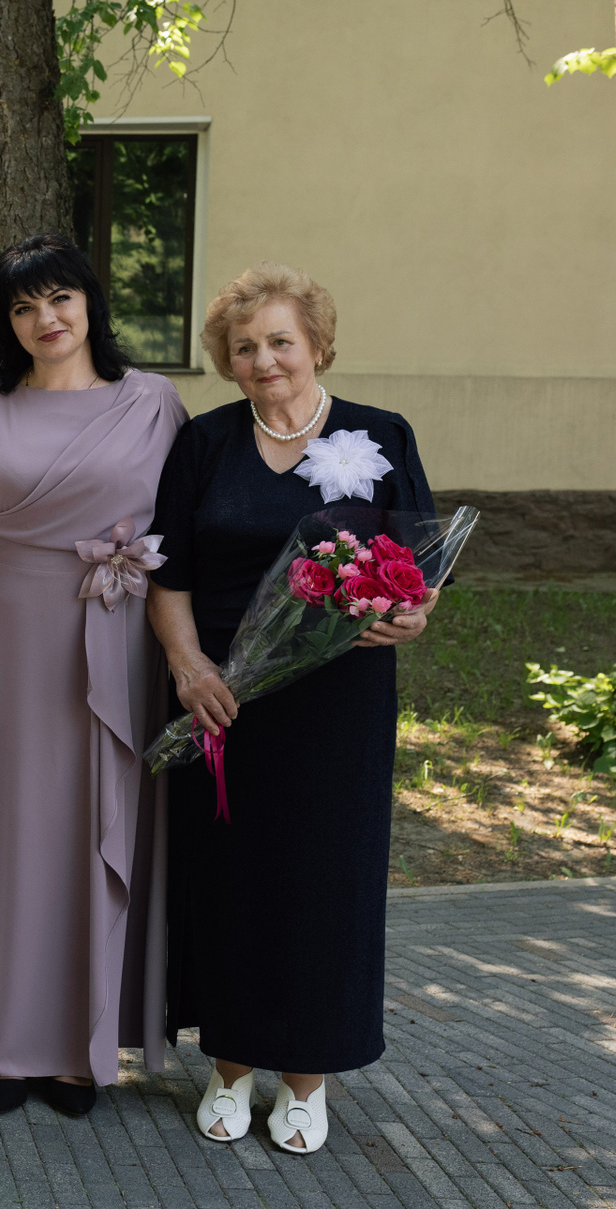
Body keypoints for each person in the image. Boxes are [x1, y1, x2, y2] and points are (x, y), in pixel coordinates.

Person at [147, 262, 440, 1155]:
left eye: (281, 341)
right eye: (245, 348)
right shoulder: (205, 443)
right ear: (227, 361)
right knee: (231, 880)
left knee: (326, 883)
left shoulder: (380, 433)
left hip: (339, 705)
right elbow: (169, 573)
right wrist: (188, 667)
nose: (264, 360)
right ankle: (231, 1065)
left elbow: (421, 567)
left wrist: (413, 613)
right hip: (228, 701)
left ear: (316, 343)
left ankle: (308, 1080)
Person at [0, 234, 187, 1118]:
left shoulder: (154, 402)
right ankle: (0, 1040)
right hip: (3, 643)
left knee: (92, 827)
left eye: (60, 298)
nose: (46, 318)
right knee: (6, 832)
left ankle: (84, 1044)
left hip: (118, 636)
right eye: (23, 306)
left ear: (89, 303)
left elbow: (191, 526)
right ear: (6, 323)